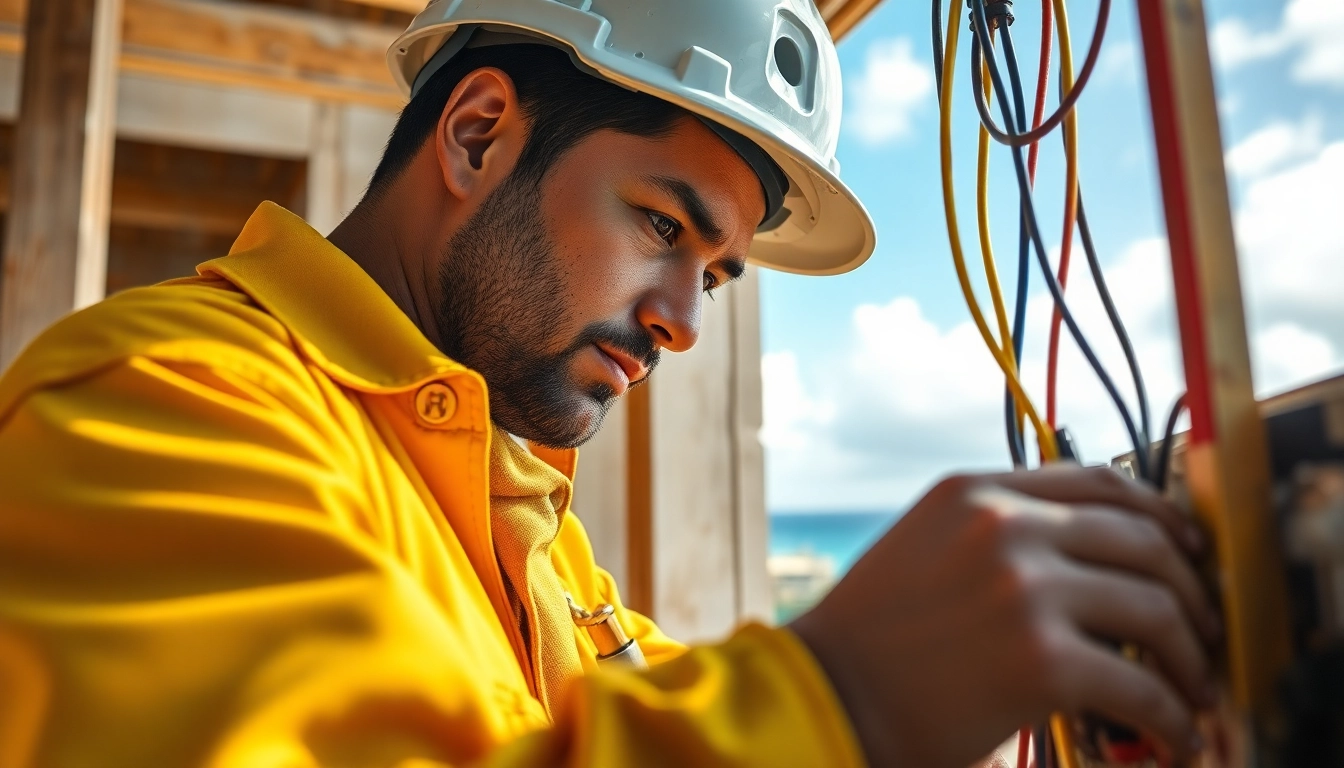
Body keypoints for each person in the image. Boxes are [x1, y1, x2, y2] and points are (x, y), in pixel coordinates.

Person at [0, 1, 1219, 766]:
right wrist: (852, 697)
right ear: (477, 135)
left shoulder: (525, 522)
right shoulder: (156, 400)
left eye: (716, 275)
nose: (682, 322)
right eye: (661, 225)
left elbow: (647, 717)